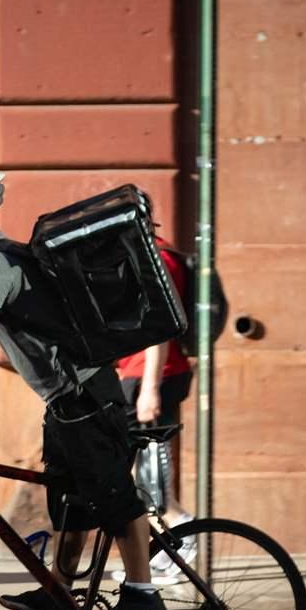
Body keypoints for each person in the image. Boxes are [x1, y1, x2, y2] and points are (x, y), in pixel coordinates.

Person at [0, 164, 168, 610]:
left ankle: (142, 593)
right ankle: (59, 590)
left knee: (113, 494)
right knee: (70, 502)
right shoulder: (2, 261)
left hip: (88, 396)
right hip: (67, 403)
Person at [112, 190, 197, 585]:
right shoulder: (152, 256)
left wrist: (148, 389)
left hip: (152, 377)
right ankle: (165, 550)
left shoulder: (158, 261)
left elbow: (159, 329)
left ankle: (182, 531)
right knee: (135, 471)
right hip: (140, 375)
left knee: (148, 472)